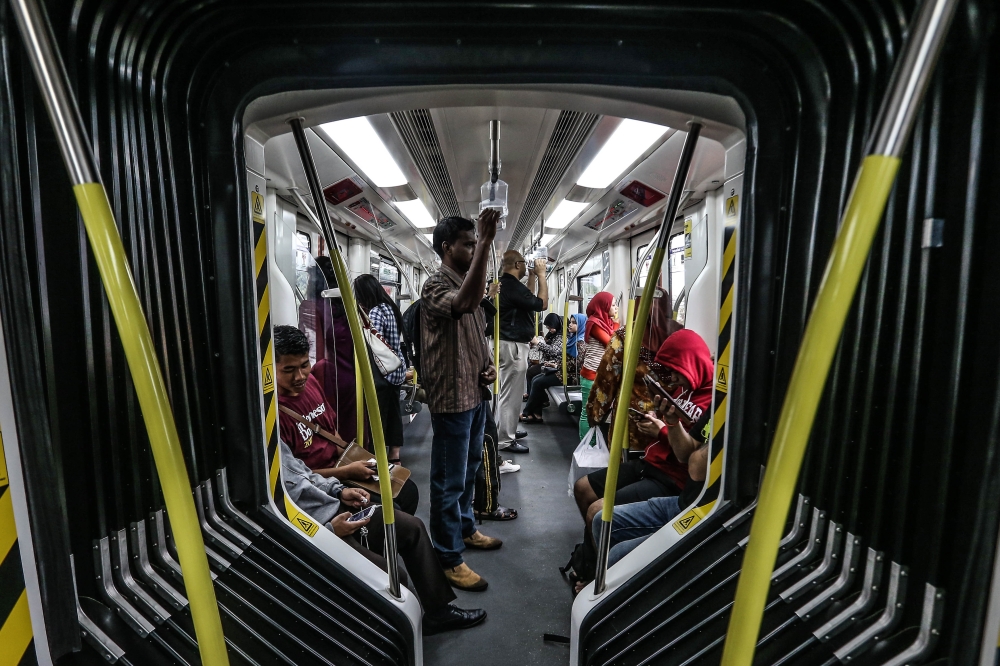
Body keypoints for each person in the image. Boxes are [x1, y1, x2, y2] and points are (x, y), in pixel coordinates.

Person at [279, 440, 486, 634]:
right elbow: (280, 518)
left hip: (334, 506)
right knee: (394, 579)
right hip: (319, 532)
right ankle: (392, 639)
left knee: (412, 528)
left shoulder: (272, 440)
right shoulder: (255, 464)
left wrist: (340, 491)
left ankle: (438, 612)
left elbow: (303, 474)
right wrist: (329, 530)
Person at [421, 211, 504, 592]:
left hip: (474, 392)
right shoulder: (435, 285)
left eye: (475, 243)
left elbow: (474, 334)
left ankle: (466, 528)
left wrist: (487, 368)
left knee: (469, 470)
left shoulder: (468, 283)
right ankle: (448, 556)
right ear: (446, 247)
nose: (472, 249)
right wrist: (487, 242)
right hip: (452, 399)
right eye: (467, 244)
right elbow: (464, 306)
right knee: (448, 481)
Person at [274, 325, 419, 515]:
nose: (300, 376)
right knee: (391, 512)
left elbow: (331, 430)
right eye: (289, 370)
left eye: (304, 365)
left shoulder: (311, 382)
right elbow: (296, 477)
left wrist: (356, 460)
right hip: (318, 482)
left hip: (342, 467)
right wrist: (347, 472)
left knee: (408, 491)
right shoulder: (275, 412)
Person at [573, 329, 713, 521]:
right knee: (582, 488)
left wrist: (663, 430)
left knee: (597, 511)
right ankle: (592, 547)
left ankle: (596, 548)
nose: (671, 379)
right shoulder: (683, 389)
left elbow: (687, 454)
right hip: (651, 461)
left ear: (691, 363)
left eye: (675, 371)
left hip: (672, 476)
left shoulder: (713, 401)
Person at [594, 393, 711, 566]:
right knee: (601, 520)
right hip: (685, 499)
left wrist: (663, 431)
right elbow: (684, 454)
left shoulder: (733, 412)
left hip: (705, 508)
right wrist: (672, 423)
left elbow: (695, 468)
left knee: (618, 554)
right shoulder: (718, 404)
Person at [587, 288, 682, 450]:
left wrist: (595, 414)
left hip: (634, 421)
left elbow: (607, 379)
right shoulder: (679, 334)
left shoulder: (626, 336)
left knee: (625, 468)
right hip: (672, 422)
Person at [354, 274, 411, 464]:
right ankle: (395, 455)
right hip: (397, 368)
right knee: (394, 413)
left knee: (379, 416)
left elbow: (373, 341)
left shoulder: (376, 311)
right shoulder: (391, 307)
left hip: (383, 371)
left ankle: (376, 456)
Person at [496, 250, 548, 453]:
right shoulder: (511, 286)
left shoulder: (507, 285)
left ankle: (506, 430)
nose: (527, 267)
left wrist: (533, 277)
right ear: (517, 265)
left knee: (507, 393)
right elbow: (541, 304)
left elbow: (526, 298)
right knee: (511, 395)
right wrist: (542, 275)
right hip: (513, 346)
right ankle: (505, 440)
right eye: (525, 264)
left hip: (507, 344)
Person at [520, 313, 585, 422]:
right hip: (563, 371)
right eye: (571, 322)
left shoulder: (580, 343)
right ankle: (536, 414)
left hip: (571, 376)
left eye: (574, 323)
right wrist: (555, 364)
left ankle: (528, 413)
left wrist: (556, 365)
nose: (570, 325)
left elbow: (576, 364)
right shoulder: (573, 339)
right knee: (536, 379)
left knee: (537, 382)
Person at [578, 292, 618, 439]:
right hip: (591, 374)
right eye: (613, 305)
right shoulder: (594, 323)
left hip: (600, 373)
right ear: (604, 306)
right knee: (587, 412)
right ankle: (587, 446)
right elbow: (612, 343)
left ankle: (593, 445)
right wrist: (617, 323)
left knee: (597, 412)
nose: (616, 308)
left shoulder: (605, 322)